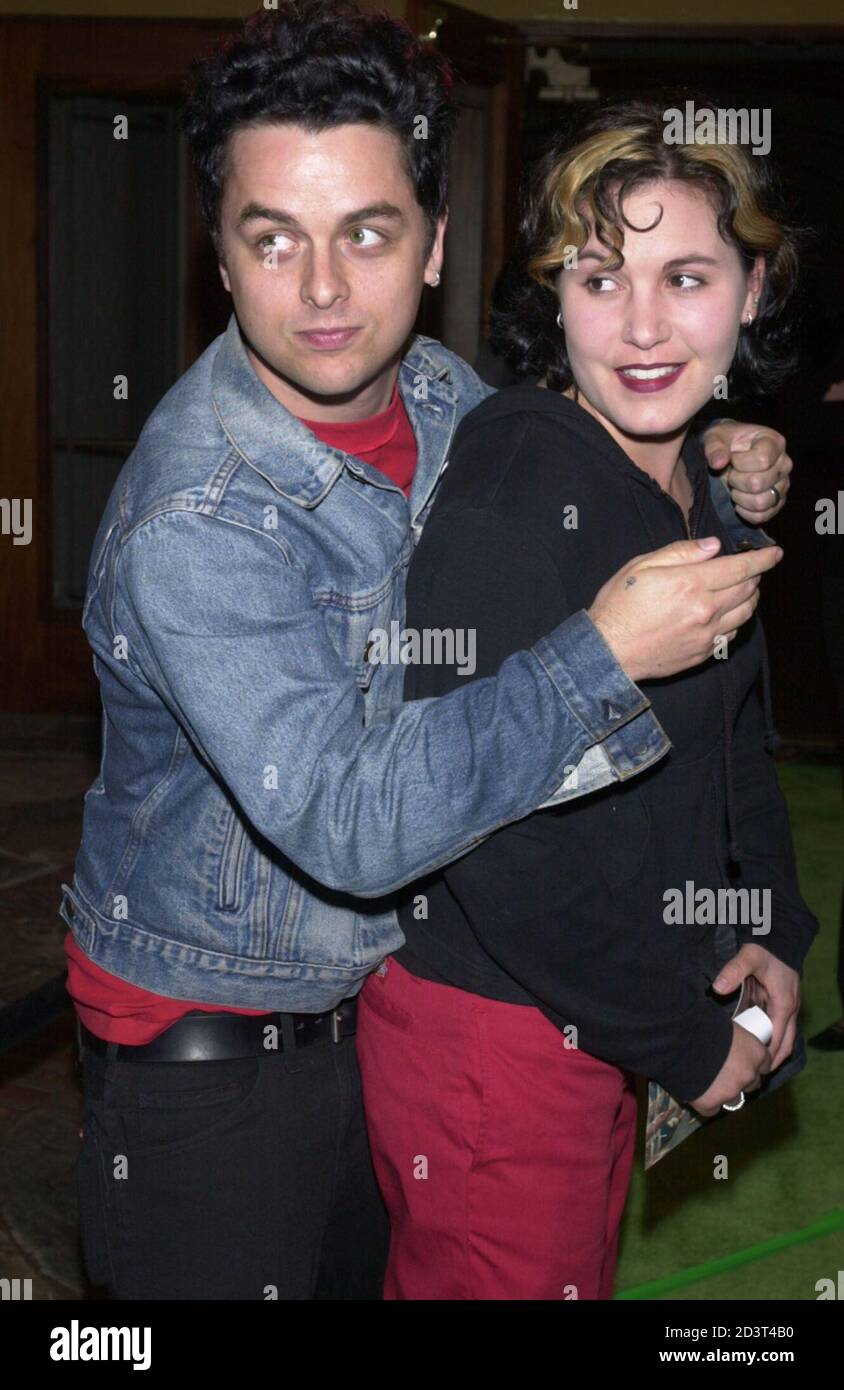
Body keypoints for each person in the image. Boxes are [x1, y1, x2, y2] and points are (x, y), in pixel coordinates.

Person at [66, 4, 791, 1301]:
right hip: (213, 1051)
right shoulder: (196, 521)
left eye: (367, 232)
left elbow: (593, 432)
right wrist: (600, 652)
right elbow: (351, 822)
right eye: (272, 238)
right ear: (217, 256)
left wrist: (710, 444)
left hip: (386, 1005)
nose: (324, 289)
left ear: (436, 240)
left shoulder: (444, 395)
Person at [356, 94, 819, 1301]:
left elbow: (731, 744)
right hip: (495, 1034)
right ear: (552, 299)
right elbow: (488, 844)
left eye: (687, 278)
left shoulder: (684, 479)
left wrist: (767, 928)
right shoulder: (515, 490)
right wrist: (683, 1040)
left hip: (608, 1006)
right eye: (600, 278)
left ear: (752, 292)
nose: (644, 326)